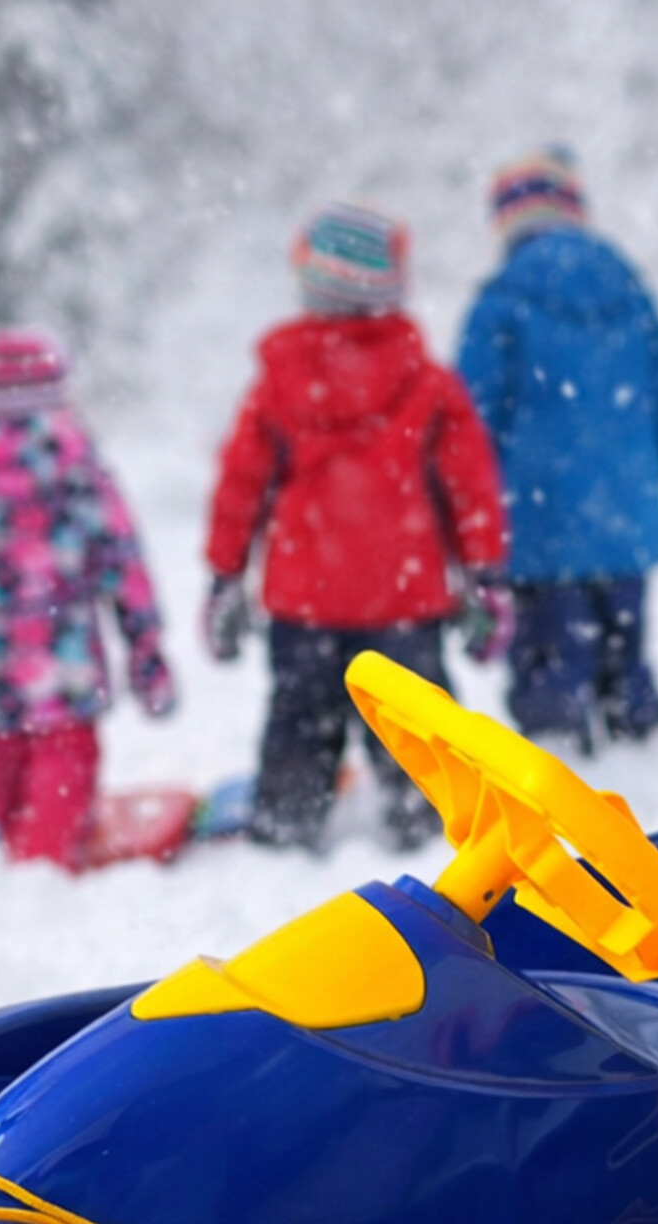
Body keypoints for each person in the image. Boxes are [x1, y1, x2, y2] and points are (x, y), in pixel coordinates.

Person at [204, 201, 507, 852]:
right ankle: (435, 826)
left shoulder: (278, 383)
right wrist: (484, 571)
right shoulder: (427, 382)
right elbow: (469, 486)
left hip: (305, 602)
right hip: (404, 601)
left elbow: (240, 487)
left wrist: (225, 574)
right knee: (418, 732)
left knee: (299, 724)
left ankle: (286, 824)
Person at [457, 146, 658, 751]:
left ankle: (560, 754)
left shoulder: (500, 302)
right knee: (625, 654)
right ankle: (645, 748)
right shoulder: (630, 290)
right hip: (626, 521)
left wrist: (461, 523)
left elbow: (467, 423)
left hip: (538, 527)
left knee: (551, 669)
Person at [0, 330, 176, 870]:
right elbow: (120, 554)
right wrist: (144, 643)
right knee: (65, 757)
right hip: (64, 650)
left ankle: (18, 831)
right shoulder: (72, 455)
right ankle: (42, 860)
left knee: (3, 757)